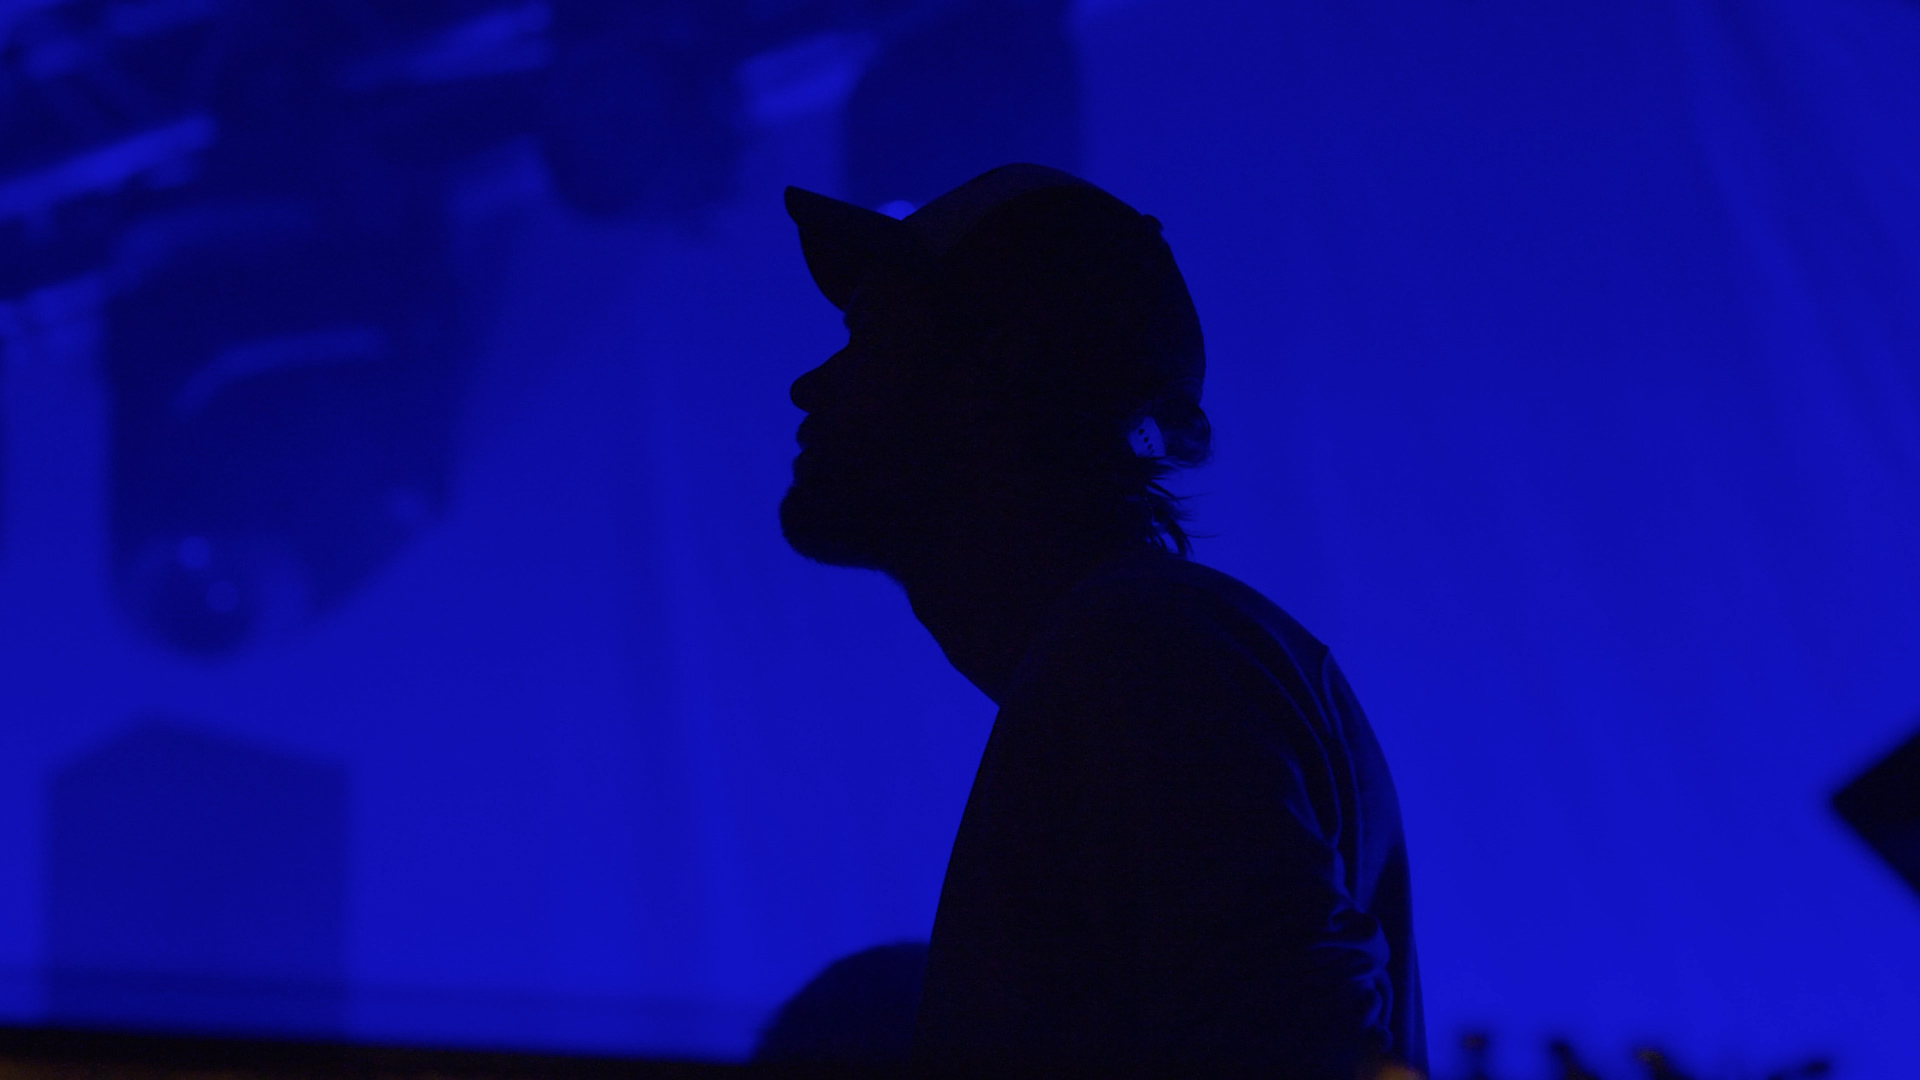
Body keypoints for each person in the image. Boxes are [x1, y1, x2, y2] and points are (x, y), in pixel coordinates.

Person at [778, 164, 1424, 1079]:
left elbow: (1306, 1048)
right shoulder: (1144, 650)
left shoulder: (1145, 653)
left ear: (999, 376)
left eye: (870, 336)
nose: (812, 385)